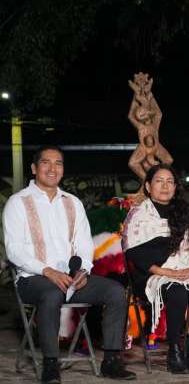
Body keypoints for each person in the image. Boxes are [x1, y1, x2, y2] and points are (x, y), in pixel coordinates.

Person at [3, 145, 136, 383]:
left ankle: (111, 361)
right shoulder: (18, 202)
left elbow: (84, 244)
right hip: (32, 279)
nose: (52, 168)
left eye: (58, 163)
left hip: (72, 279)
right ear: (34, 168)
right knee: (52, 292)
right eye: (46, 162)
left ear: (63, 170)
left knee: (116, 291)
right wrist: (47, 271)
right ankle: (51, 364)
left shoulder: (73, 202)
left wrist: (83, 270)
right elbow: (14, 250)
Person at [122, 164, 189, 374]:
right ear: (148, 186)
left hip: (185, 272)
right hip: (152, 274)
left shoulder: (184, 213)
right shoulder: (139, 216)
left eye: (170, 181)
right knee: (176, 291)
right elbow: (135, 254)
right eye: (159, 181)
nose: (165, 186)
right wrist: (169, 273)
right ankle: (174, 350)